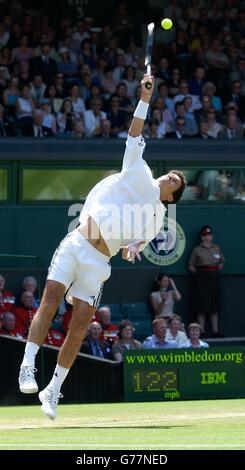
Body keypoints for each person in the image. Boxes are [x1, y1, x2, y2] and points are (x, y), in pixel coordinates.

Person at [18, 74, 186, 420]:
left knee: (79, 326)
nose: (170, 176)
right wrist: (144, 97)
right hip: (77, 242)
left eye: (175, 181)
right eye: (171, 174)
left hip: (99, 263)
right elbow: (136, 130)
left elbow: (136, 243)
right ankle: (27, 365)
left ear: (172, 197)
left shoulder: (156, 217)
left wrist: (130, 248)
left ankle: (53, 390)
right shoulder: (137, 168)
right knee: (48, 302)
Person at [188, 225, 225, 337]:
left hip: (214, 278)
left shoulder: (216, 248)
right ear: (203, 237)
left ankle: (215, 331)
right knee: (202, 306)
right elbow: (191, 265)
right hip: (202, 279)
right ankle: (202, 331)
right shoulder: (197, 250)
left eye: (210, 234)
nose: (210, 236)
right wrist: (200, 274)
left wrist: (216, 269)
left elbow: (222, 261)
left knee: (214, 306)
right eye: (207, 235)